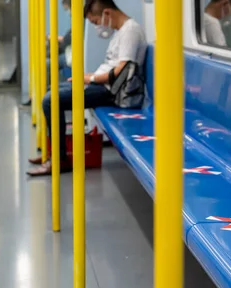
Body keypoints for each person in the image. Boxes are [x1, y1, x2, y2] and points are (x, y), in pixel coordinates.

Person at [27, 0, 147, 176]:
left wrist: (89, 78)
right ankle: (53, 154)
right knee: (52, 90)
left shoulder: (131, 31)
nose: (98, 27)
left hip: (112, 92)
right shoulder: (121, 31)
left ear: (107, 14)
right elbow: (113, 68)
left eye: (96, 22)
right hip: (103, 85)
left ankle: (59, 159)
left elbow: (122, 72)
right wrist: (88, 78)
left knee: (51, 100)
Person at [21, 0, 72, 107]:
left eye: (67, 8)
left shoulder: (80, 18)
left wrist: (52, 38)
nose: (68, 12)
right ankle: (37, 96)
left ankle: (44, 96)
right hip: (68, 53)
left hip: (70, 56)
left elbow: (68, 39)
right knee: (43, 62)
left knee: (45, 65)